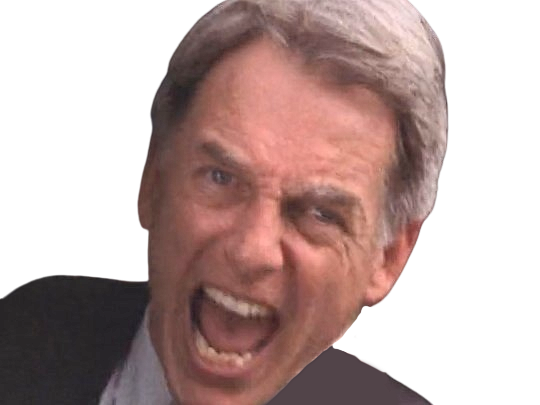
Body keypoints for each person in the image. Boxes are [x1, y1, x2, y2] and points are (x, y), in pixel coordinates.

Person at [0, 0, 447, 403]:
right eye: (222, 178)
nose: (252, 251)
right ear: (153, 178)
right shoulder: (16, 337)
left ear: (388, 257)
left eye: (319, 213)